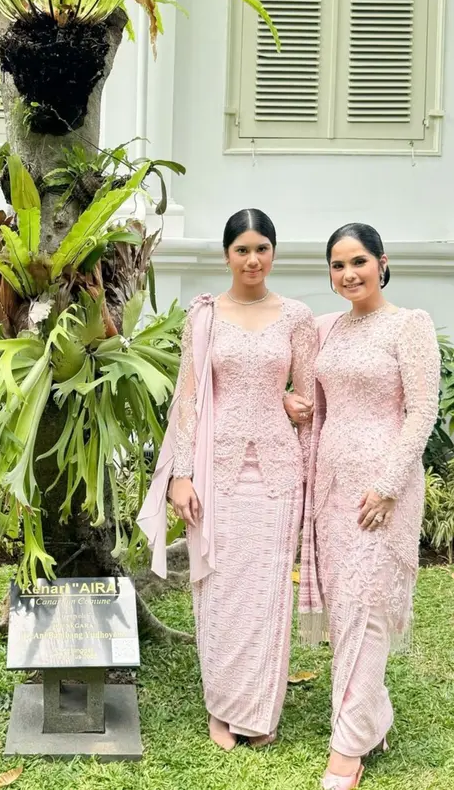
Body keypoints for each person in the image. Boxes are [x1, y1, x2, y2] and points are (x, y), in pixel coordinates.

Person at [138, 209, 317, 750]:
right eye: (242, 250)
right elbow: (188, 398)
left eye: (261, 248)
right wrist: (180, 475)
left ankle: (258, 711)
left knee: (266, 590)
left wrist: (290, 405)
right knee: (217, 586)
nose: (252, 259)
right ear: (226, 256)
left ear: (274, 253)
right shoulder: (205, 316)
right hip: (215, 472)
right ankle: (222, 707)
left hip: (279, 472)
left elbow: (310, 399)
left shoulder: (298, 317)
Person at [288, 223, 440, 790]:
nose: (348, 273)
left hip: (382, 491)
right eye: (338, 265)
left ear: (382, 262)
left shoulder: (409, 325)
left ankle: (347, 748)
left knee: (367, 608)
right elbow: (312, 400)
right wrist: (288, 401)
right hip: (332, 489)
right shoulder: (327, 329)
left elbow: (422, 410)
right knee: (345, 612)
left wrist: (388, 484)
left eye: (358, 261)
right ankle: (372, 721)